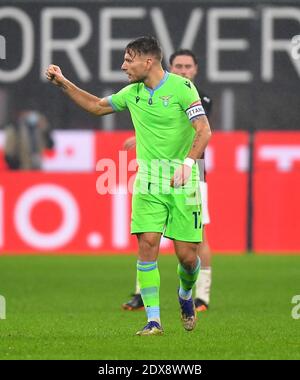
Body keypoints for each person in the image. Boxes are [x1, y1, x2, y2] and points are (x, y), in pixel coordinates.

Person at [46, 36, 211, 336]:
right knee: (147, 244)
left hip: (183, 182)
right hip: (148, 181)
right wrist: (64, 83)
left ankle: (186, 294)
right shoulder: (131, 93)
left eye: (128, 59)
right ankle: (153, 321)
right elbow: (97, 106)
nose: (123, 66)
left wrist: (188, 166)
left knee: (188, 258)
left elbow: (204, 130)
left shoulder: (182, 88)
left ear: (148, 61)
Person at [122, 49, 213, 313]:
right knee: (148, 239)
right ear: (169, 67)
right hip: (158, 173)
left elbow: (192, 129)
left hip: (195, 171)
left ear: (195, 69)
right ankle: (143, 294)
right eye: (179, 66)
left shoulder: (198, 96)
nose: (184, 71)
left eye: (188, 66)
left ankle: (202, 295)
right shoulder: (153, 92)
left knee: (196, 242)